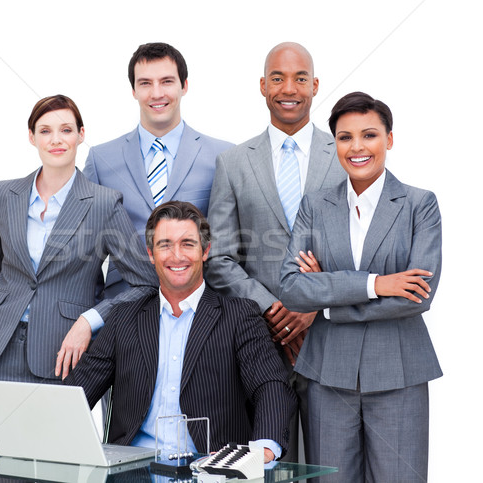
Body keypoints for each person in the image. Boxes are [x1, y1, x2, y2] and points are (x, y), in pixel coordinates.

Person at [279, 92, 442, 482]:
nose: (357, 148)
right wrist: (378, 283)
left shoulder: (420, 205)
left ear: (389, 139)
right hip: (327, 375)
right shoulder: (315, 205)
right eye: (344, 137)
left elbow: (419, 295)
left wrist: (328, 302)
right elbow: (291, 287)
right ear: (334, 143)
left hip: (398, 373)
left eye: (369, 135)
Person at [0, 95, 158, 411]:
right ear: (31, 137)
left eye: (65, 130)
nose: (56, 140)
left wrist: (90, 320)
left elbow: (146, 282)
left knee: (51, 454)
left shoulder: (103, 204)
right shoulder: (2, 195)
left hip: (59, 355)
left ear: (81, 135)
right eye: (45, 131)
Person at [65, 201, 297, 462]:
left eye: (188, 243)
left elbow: (270, 385)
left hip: (209, 471)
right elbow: (75, 396)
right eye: (165, 245)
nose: (177, 255)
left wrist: (263, 448)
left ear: (205, 251)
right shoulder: (123, 319)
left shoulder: (240, 316)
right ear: (151, 254)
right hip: (134, 473)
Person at [205, 42, 346, 462]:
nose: (290, 88)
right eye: (279, 78)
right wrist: (273, 309)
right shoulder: (232, 163)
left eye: (300, 78)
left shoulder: (344, 155)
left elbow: (360, 251)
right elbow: (219, 258)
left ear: (316, 85)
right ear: (263, 86)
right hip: (259, 343)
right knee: (265, 465)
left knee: (330, 466)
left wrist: (313, 306)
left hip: (329, 341)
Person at [84, 42, 233, 299]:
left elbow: (230, 247)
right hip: (121, 306)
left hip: (201, 307)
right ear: (133, 90)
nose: (156, 93)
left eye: (166, 81)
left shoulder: (223, 157)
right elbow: (87, 252)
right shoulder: (101, 159)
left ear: (184, 86)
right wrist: (94, 316)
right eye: (145, 83)